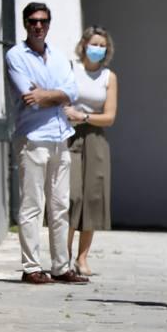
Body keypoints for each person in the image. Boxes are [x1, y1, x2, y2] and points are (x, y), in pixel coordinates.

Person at [5, 2, 86, 285]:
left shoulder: (59, 57)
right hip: (33, 139)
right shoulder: (15, 55)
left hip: (60, 137)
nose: (37, 26)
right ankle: (31, 268)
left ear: (49, 23)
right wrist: (57, 95)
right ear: (25, 24)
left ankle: (61, 266)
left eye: (42, 21)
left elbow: (72, 92)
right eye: (32, 21)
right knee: (32, 206)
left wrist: (47, 95)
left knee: (60, 204)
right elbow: (28, 96)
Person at [66, 26, 119, 277]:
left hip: (96, 138)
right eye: (94, 44)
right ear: (84, 44)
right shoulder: (71, 70)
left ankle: (82, 258)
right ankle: (63, 255)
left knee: (93, 197)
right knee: (71, 195)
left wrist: (84, 115)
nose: (98, 49)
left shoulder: (109, 77)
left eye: (102, 45)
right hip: (70, 136)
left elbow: (109, 117)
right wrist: (70, 114)